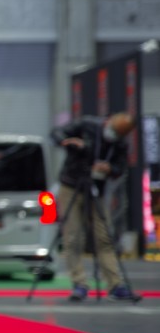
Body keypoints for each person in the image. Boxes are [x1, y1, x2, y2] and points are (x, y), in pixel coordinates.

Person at [49, 112, 140, 302]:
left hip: (96, 189)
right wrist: (69, 142)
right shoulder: (87, 125)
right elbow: (56, 133)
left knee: (104, 236)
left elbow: (120, 168)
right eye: (114, 131)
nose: (114, 135)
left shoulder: (120, 143)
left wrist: (110, 169)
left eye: (119, 134)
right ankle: (79, 283)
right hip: (71, 185)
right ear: (108, 122)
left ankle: (116, 285)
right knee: (72, 236)